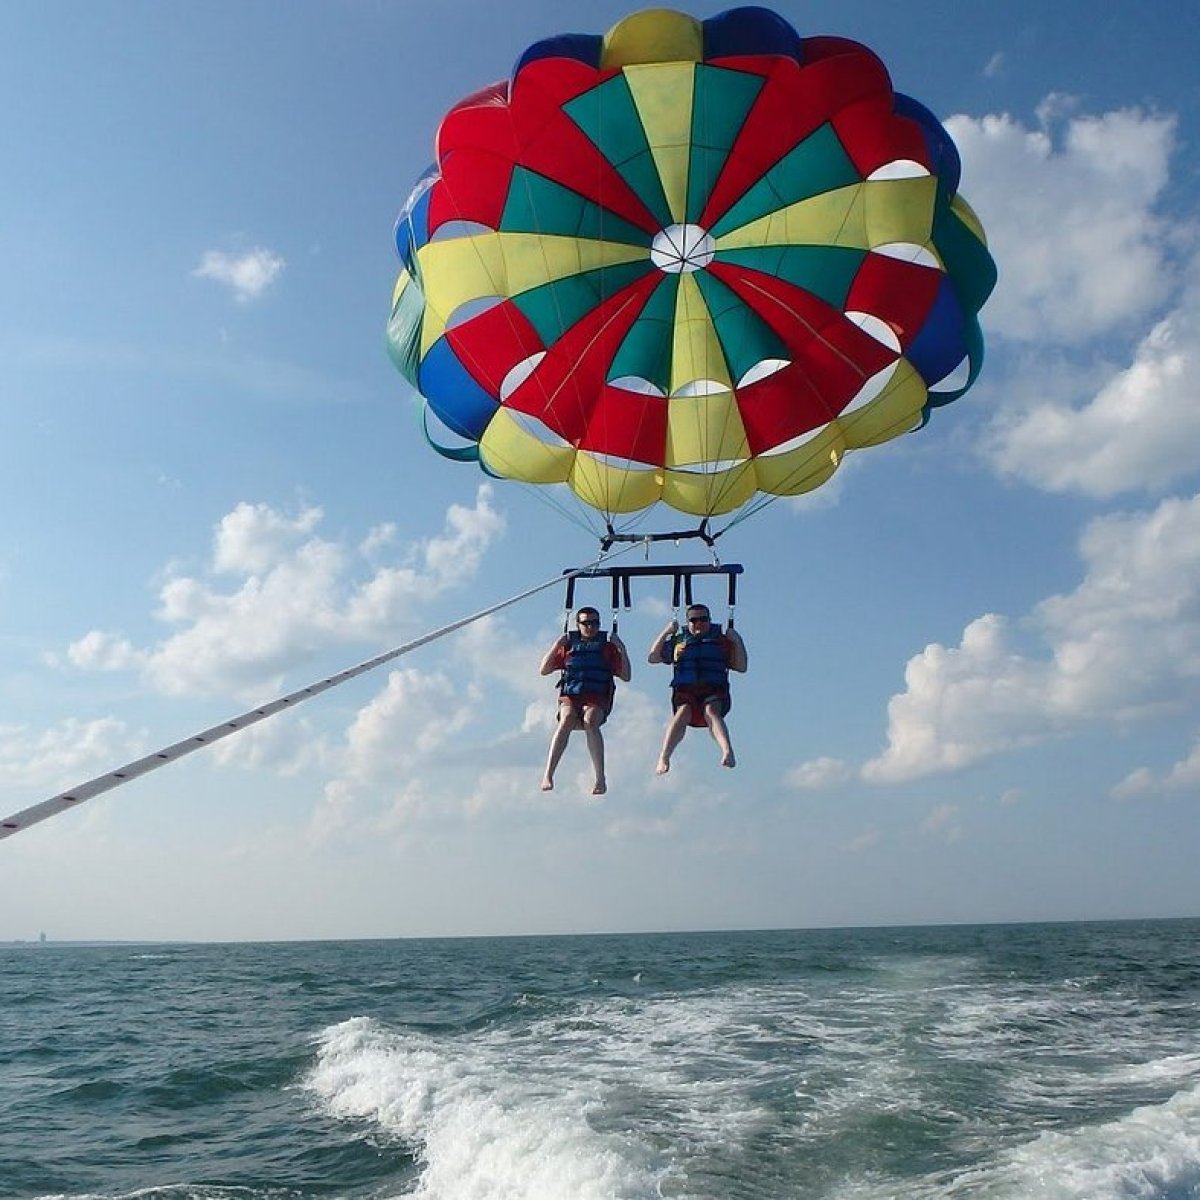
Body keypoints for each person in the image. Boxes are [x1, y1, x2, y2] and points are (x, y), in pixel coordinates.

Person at [539, 607, 631, 795]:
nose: (591, 627)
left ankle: (600, 778)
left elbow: (626, 676)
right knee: (566, 719)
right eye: (586, 623)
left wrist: (622, 648)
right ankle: (548, 774)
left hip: (596, 697)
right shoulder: (568, 646)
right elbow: (544, 670)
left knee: (590, 720)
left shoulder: (607, 648)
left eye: (595, 623)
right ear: (578, 625)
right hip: (571, 696)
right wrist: (557, 645)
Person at [647, 603, 747, 774]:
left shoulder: (721, 641)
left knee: (711, 711)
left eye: (703, 619)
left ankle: (727, 751)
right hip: (686, 691)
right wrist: (666, 632)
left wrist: (737, 641)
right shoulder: (679, 641)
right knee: (683, 712)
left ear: (709, 620)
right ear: (688, 622)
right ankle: (664, 757)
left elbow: (741, 667)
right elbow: (653, 658)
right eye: (694, 620)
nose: (699, 623)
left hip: (713, 689)